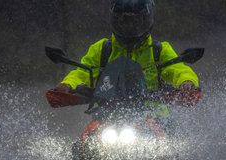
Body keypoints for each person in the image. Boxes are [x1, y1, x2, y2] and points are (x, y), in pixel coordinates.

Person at [54, 0, 199, 97]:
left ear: (147, 20)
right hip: (107, 113)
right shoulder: (103, 48)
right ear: (114, 19)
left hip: (153, 115)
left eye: (135, 21)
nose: (129, 26)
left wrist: (187, 82)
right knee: (83, 142)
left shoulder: (159, 50)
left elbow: (178, 69)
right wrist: (68, 84)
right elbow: (82, 72)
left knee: (172, 141)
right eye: (123, 21)